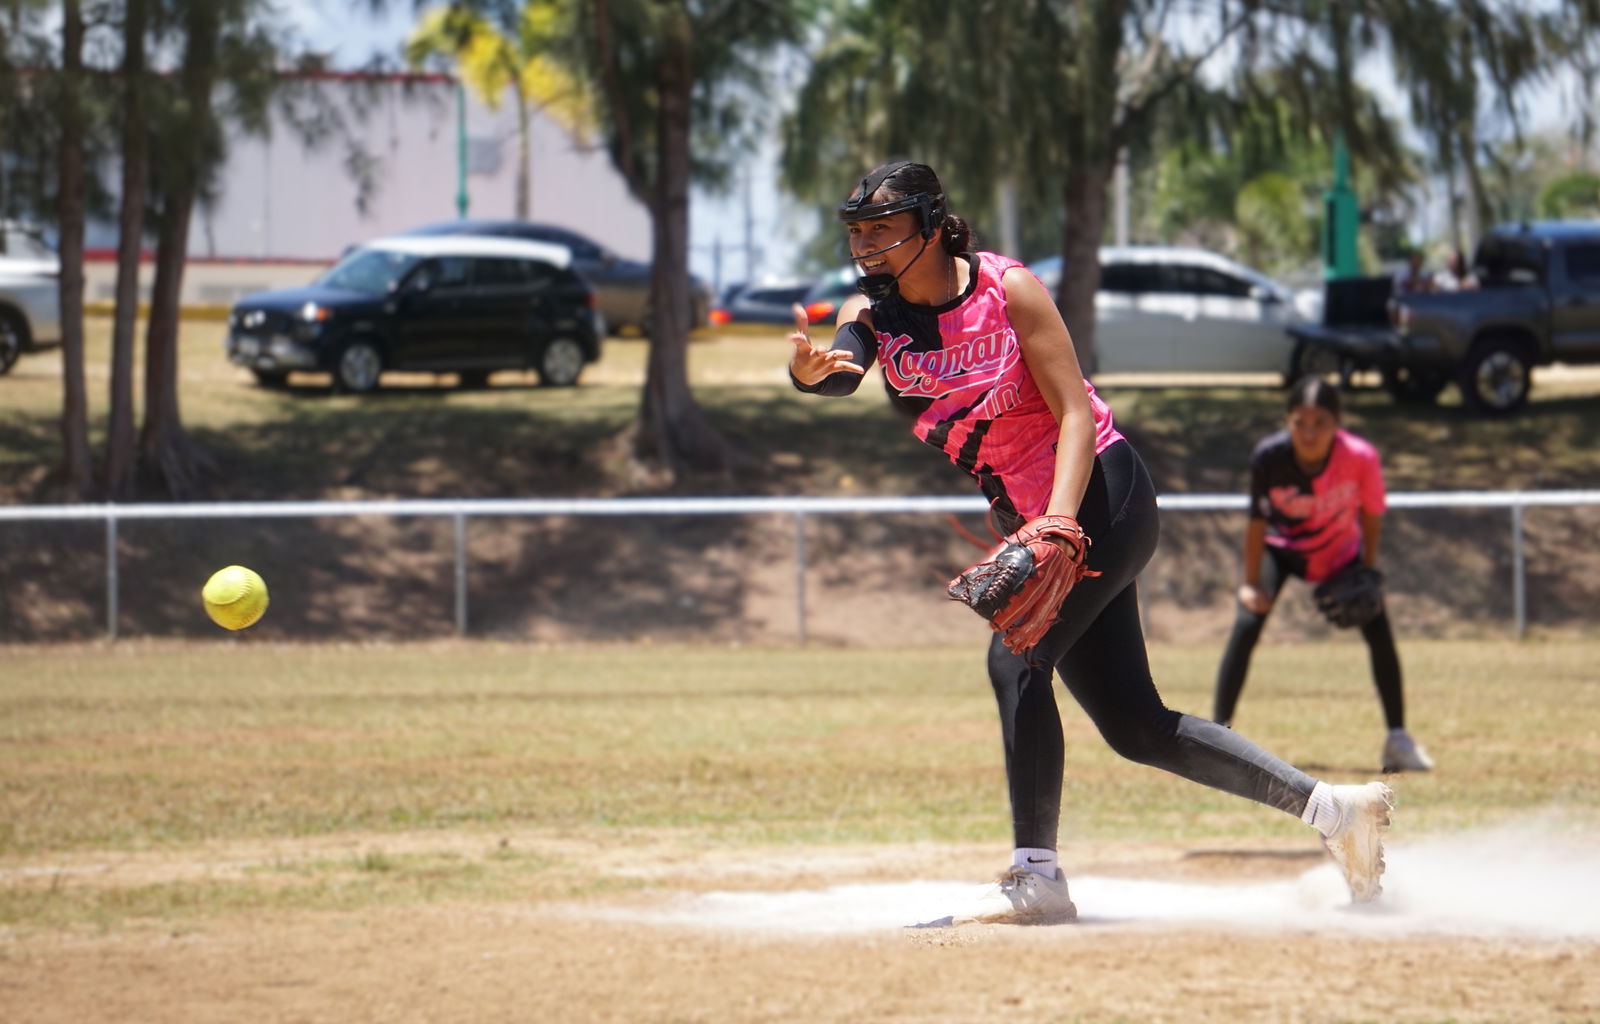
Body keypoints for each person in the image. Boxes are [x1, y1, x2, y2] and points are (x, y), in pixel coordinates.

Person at [786, 159, 1395, 925]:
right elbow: (843, 368)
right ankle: (1339, 814)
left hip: (1103, 496)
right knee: (1137, 726)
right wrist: (808, 372)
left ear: (935, 225)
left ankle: (1035, 877)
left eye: (884, 228)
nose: (866, 245)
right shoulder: (874, 314)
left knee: (1015, 655)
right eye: (857, 232)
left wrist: (1060, 524)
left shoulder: (1007, 291)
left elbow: (1074, 412)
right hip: (1041, 524)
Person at [1213, 376, 1434, 774]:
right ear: (1287, 421)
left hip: (1340, 550)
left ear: (1338, 424)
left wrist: (1367, 567)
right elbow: (1257, 521)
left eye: (1321, 422)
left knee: (1380, 634)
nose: (1310, 432)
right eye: (1300, 422)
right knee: (1247, 623)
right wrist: (1250, 582)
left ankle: (1398, 740)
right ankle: (1217, 739)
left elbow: (1371, 512)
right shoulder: (1270, 457)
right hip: (1283, 551)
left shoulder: (1360, 457)